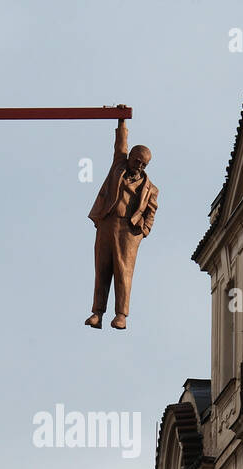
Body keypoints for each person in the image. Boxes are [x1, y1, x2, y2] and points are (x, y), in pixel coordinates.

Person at [86, 111, 157, 331]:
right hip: (108, 223)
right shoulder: (118, 166)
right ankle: (97, 313)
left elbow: (151, 211)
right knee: (102, 268)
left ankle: (120, 315)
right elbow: (120, 145)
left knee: (124, 271)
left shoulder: (151, 189)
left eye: (144, 164)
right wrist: (121, 120)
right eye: (137, 161)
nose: (140, 166)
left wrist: (144, 230)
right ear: (130, 158)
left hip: (129, 230)